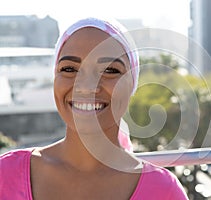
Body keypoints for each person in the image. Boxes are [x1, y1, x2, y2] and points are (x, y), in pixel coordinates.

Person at [0, 17, 188, 200]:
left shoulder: (164, 191)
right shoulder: (6, 173)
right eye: (69, 69)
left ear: (132, 84)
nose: (87, 86)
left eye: (110, 70)